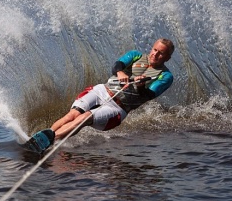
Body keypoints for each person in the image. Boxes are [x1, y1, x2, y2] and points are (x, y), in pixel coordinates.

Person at [27, 38, 175, 154]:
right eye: (154, 49)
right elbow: (117, 65)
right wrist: (120, 72)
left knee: (84, 118)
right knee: (71, 116)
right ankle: (43, 139)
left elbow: (148, 96)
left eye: (160, 53)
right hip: (102, 91)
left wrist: (141, 86)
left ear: (167, 58)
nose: (155, 54)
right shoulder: (136, 55)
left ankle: (49, 142)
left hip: (117, 108)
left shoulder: (165, 76)